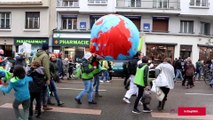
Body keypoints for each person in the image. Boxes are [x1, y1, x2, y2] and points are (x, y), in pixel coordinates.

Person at [34, 43, 52, 110]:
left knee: (40, 92)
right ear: (47, 49)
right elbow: (46, 68)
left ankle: (39, 106)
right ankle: (42, 106)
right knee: (44, 92)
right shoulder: (45, 55)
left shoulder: (37, 55)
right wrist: (48, 78)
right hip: (42, 76)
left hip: (36, 75)